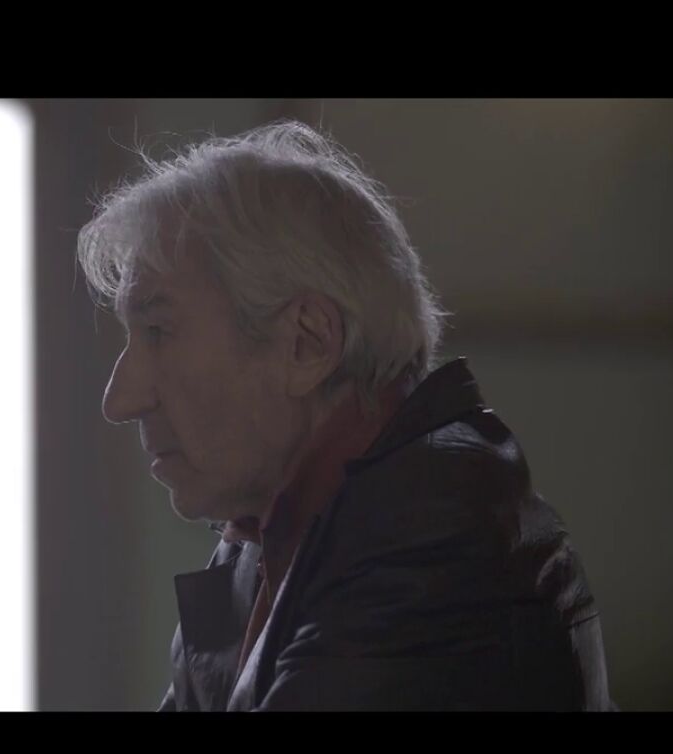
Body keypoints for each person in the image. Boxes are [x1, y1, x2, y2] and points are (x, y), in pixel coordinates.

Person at [76, 121, 615, 711]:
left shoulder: (434, 533)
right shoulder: (264, 536)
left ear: (307, 342)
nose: (119, 400)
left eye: (158, 331)